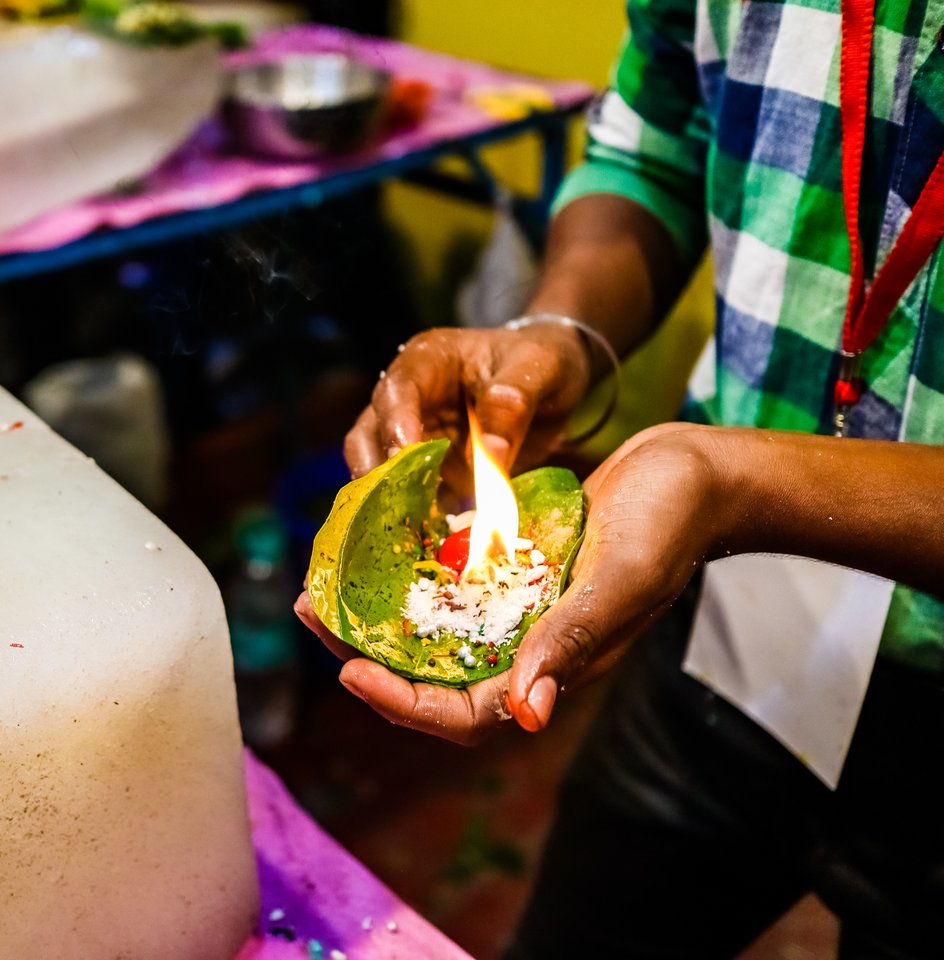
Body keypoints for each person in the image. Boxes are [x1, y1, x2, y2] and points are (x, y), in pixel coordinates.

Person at [296, 0, 944, 955]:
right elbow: (655, 144)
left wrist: (733, 481)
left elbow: (721, 482)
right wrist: (560, 332)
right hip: (737, 624)